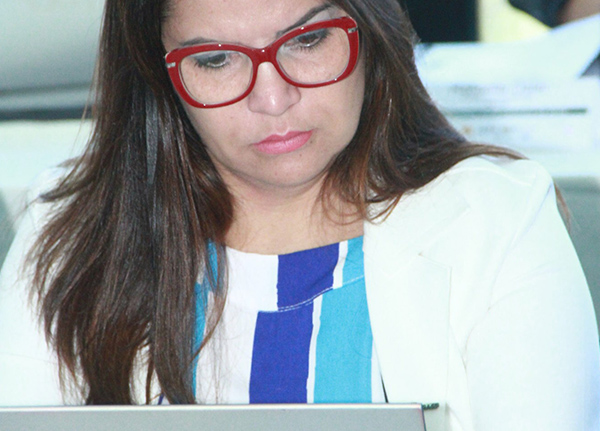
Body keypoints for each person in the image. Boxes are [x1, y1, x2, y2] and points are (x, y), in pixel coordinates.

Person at [0, 0, 598, 429]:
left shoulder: (497, 219)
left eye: (308, 41)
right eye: (214, 61)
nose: (273, 97)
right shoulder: (68, 232)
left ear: (371, 31)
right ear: (159, 75)